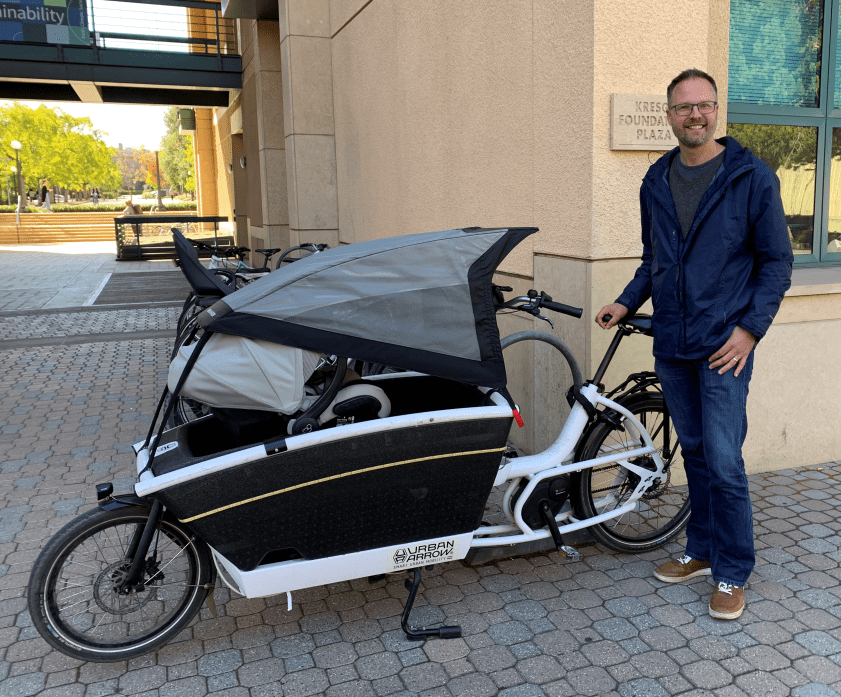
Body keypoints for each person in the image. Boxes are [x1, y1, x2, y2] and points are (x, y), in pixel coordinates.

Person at [595, 68, 792, 621]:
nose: (695, 115)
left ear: (716, 111)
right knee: (699, 456)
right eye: (684, 108)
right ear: (669, 115)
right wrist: (626, 302)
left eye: (704, 106)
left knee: (725, 462)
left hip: (726, 345)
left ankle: (733, 570)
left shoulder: (751, 177)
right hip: (674, 343)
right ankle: (701, 551)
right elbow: (654, 261)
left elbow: (777, 263)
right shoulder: (656, 179)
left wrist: (749, 330)